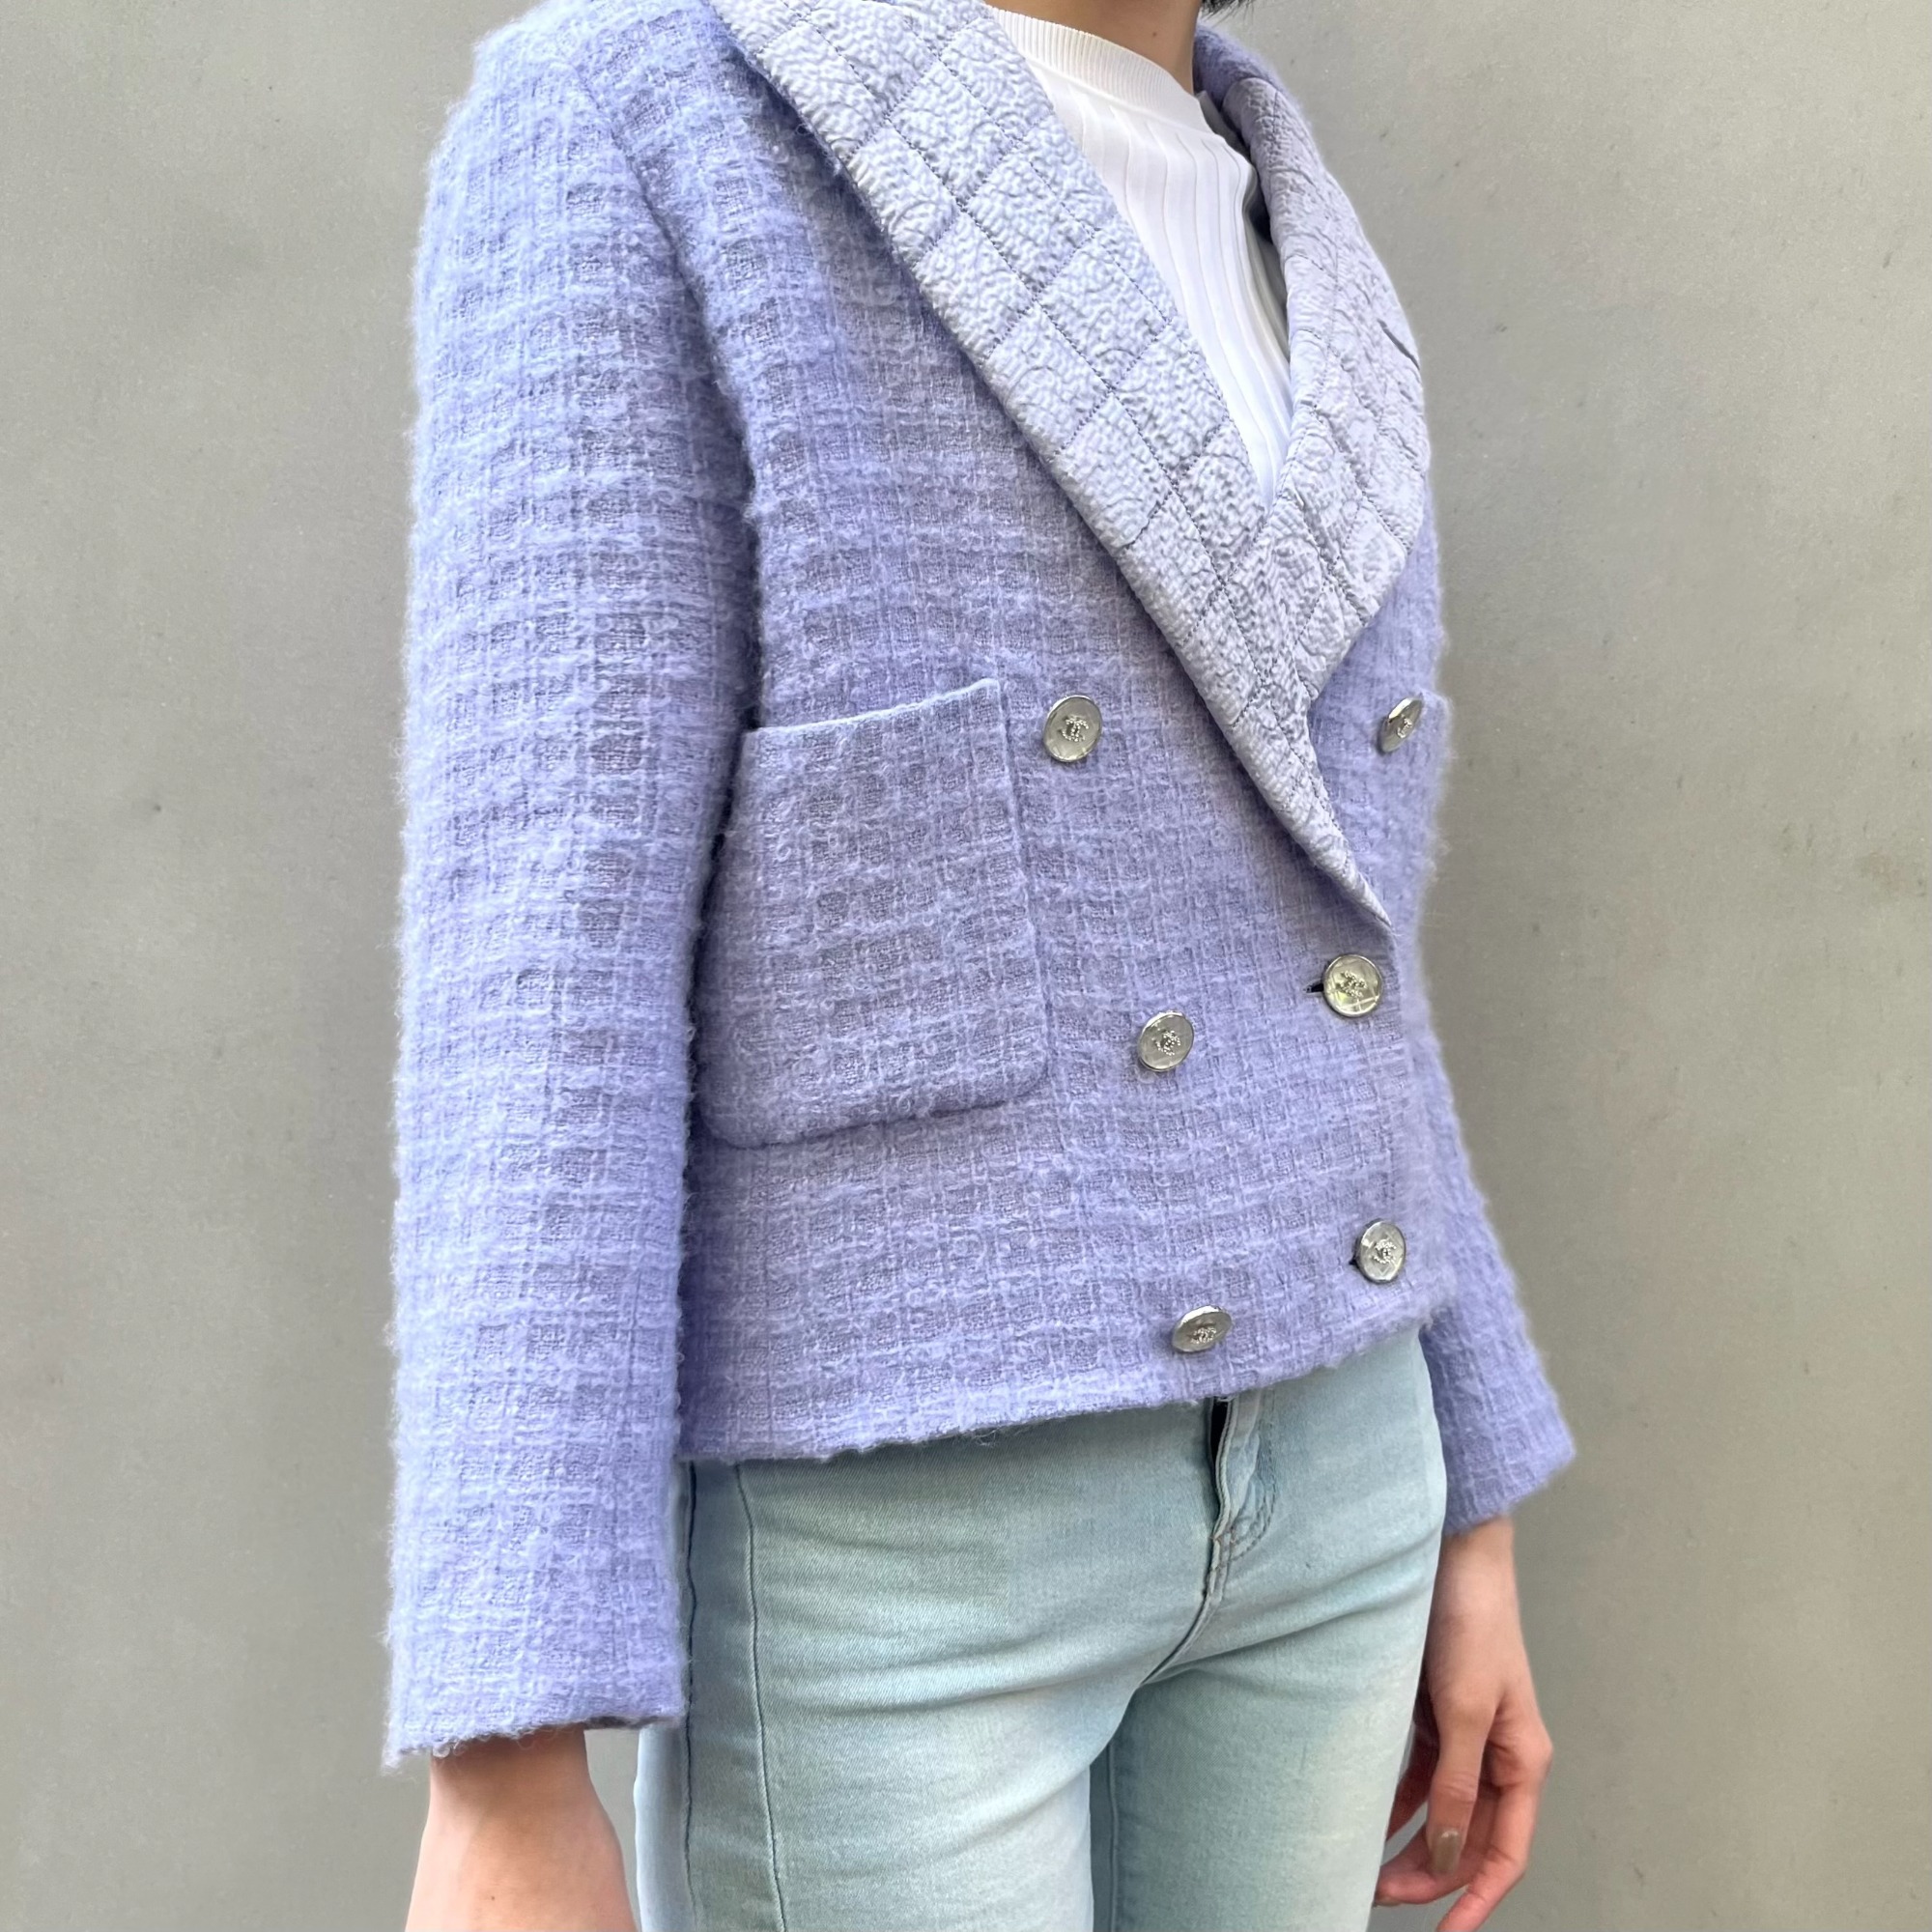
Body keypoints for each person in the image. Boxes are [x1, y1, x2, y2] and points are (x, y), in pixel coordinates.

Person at [384, 0, 1576, 1923]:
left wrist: (1470, 1495)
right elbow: (548, 963)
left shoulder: (1276, 186)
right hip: (897, 1554)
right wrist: (505, 1760)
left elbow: (1339, 927)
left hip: (1340, 1491)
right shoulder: (649, 119)